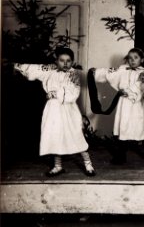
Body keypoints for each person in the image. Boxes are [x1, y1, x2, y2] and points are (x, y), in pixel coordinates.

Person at [14, 47, 95, 177]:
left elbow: (73, 94)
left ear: (72, 62)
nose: (65, 63)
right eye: (62, 60)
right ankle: (58, 166)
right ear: (56, 61)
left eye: (68, 61)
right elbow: (33, 68)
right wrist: (16, 66)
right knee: (56, 135)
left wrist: (56, 93)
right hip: (53, 110)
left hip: (68, 110)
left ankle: (88, 163)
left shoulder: (73, 74)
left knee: (76, 134)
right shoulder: (49, 70)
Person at [91, 48, 144, 165]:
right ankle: (121, 156)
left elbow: (143, 88)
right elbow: (107, 74)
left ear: (141, 59)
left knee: (143, 128)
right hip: (124, 104)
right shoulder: (122, 70)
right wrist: (93, 72)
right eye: (130, 58)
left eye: (136, 58)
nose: (132, 60)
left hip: (137, 105)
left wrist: (130, 92)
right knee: (124, 127)